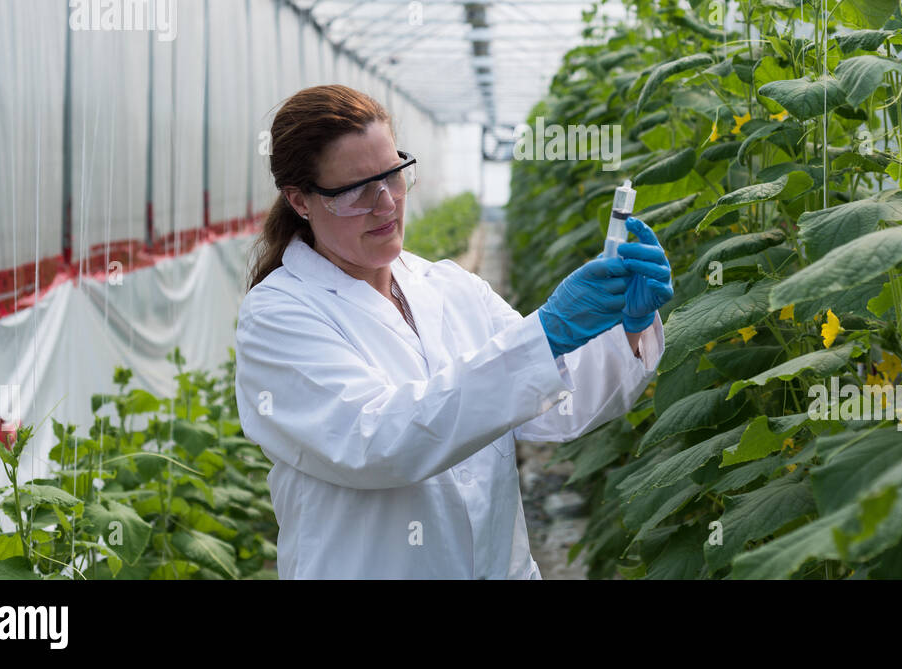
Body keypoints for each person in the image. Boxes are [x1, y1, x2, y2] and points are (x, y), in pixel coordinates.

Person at [234, 85, 674, 579]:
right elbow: (378, 442)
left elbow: (554, 408)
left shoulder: (449, 286)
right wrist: (544, 335)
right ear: (301, 201)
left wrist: (627, 332)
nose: (385, 204)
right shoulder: (278, 317)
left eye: (393, 175)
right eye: (356, 189)